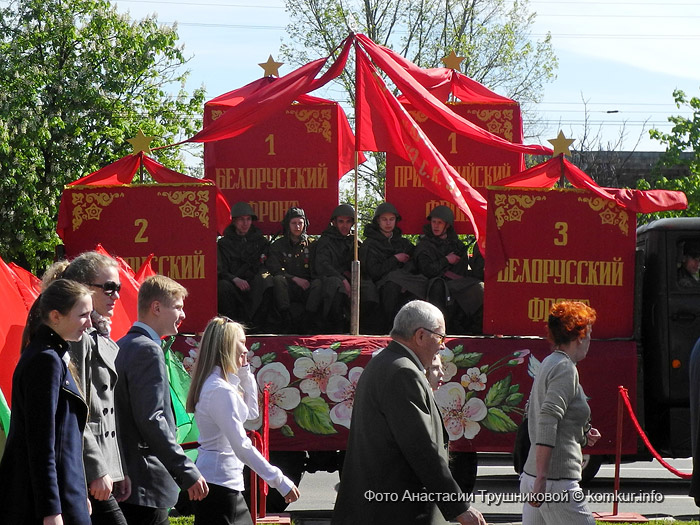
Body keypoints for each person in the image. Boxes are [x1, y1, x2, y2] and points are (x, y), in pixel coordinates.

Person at [332, 300, 486, 525]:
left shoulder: (387, 363)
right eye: (441, 337)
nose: (443, 345)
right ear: (421, 336)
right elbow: (421, 448)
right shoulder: (404, 372)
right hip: (396, 511)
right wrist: (458, 507)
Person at [186, 316, 301, 524]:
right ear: (227, 346)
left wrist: (245, 372)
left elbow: (251, 414)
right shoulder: (220, 389)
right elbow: (242, 446)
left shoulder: (221, 385)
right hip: (220, 486)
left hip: (222, 484)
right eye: (241, 343)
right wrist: (279, 480)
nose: (246, 350)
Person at [115, 275, 208, 525]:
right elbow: (152, 418)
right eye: (178, 307)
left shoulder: (122, 344)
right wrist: (186, 469)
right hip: (147, 483)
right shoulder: (148, 349)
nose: (183, 314)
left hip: (131, 480)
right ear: (156, 307)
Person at [0, 279, 94, 525]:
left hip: (62, 492)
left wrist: (79, 492)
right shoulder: (46, 360)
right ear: (55, 316)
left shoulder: (49, 355)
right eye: (83, 315)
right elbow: (42, 442)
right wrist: (50, 509)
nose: (90, 323)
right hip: (50, 500)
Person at [58, 252, 130, 525]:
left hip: (102, 467)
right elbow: (78, 410)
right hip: (84, 466)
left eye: (118, 288)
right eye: (109, 287)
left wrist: (117, 467)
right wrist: (98, 469)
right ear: (85, 287)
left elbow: (109, 411)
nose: (116, 296)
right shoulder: (77, 336)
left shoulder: (100, 334)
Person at [520, 301, 601, 525]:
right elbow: (548, 418)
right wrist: (544, 478)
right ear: (579, 336)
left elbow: (538, 413)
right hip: (555, 480)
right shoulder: (565, 368)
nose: (590, 341)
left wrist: (582, 433)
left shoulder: (549, 362)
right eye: (590, 334)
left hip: (534, 475)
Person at [414, 205, 484, 334]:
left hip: (455, 284)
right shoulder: (424, 246)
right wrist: (446, 260)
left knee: (479, 288)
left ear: (447, 225)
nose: (435, 226)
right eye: (434, 222)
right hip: (432, 283)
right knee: (438, 287)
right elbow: (426, 270)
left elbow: (462, 271)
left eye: (440, 223)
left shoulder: (458, 245)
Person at [359, 202, 427, 333]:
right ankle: (389, 329)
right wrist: (395, 259)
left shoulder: (402, 242)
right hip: (380, 285)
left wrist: (404, 278)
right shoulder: (370, 244)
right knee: (391, 286)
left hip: (405, 283)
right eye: (384, 219)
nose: (388, 223)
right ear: (378, 221)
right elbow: (373, 272)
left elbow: (414, 262)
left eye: (391, 219)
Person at [314, 203, 378, 333]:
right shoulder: (325, 241)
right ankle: (336, 327)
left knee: (369, 288)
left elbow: (363, 261)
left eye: (348, 222)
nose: (345, 225)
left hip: (350, 276)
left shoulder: (354, 241)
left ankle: (364, 327)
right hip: (330, 277)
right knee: (336, 287)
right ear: (334, 222)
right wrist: (342, 278)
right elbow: (322, 265)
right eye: (341, 221)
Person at [217, 201, 272, 332]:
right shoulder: (224, 243)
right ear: (234, 221)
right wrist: (235, 279)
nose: (245, 223)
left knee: (267, 282)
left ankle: (259, 327)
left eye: (248, 219)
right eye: (241, 219)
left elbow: (266, 265)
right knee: (223, 286)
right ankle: (231, 327)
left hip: (253, 283)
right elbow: (220, 269)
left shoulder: (261, 242)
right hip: (233, 284)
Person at [266, 207, 321, 334]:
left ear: (305, 224)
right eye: (294, 223)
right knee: (278, 279)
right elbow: (274, 268)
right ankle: (286, 320)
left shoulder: (313, 244)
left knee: (319, 283)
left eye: (300, 223)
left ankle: (308, 321)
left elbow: (319, 267)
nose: (297, 226)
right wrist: (293, 278)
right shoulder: (278, 245)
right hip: (287, 286)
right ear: (287, 225)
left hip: (307, 287)